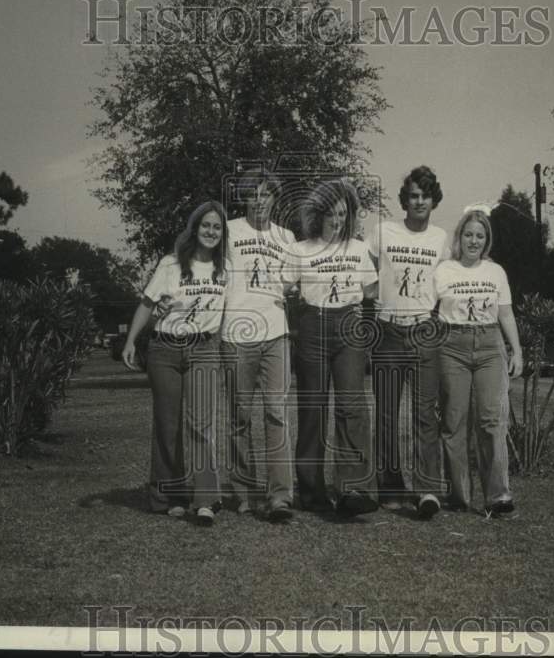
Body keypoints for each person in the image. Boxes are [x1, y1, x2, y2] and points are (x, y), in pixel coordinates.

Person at [122, 201, 230, 527]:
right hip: (164, 350)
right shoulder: (170, 264)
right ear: (195, 228)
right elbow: (147, 303)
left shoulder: (226, 269)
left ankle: (205, 500)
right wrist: (130, 340)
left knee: (200, 424)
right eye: (205, 225)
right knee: (167, 427)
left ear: (223, 233)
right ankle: (167, 496)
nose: (210, 231)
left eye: (217, 227)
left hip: (204, 347)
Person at [282, 178, 379, 516]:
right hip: (313, 325)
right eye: (332, 214)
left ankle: (354, 489)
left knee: (352, 406)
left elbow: (373, 292)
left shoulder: (357, 248)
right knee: (313, 409)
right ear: (318, 214)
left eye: (343, 214)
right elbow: (278, 287)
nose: (337, 221)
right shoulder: (301, 249)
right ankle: (312, 492)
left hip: (349, 325)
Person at [367, 166, 449, 517]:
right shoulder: (384, 231)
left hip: (423, 331)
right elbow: (363, 269)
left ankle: (427, 489)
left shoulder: (441, 239)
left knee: (425, 415)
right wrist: (372, 296)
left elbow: (449, 281)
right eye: (413, 195)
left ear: (434, 201)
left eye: (425, 196)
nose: (419, 201)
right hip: (388, 331)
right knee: (386, 414)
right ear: (405, 199)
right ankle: (390, 488)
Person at [434, 205, 523, 518]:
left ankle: (498, 495)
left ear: (487, 240)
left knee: (490, 420)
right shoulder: (444, 270)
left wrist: (517, 350)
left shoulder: (495, 271)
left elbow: (506, 313)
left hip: (489, 346)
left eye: (480, 236)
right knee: (453, 421)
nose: (474, 241)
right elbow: (424, 306)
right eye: (469, 234)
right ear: (460, 236)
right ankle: (458, 495)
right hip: (452, 345)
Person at [220, 168, 296, 522]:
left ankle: (280, 496)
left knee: (277, 414)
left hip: (276, 334)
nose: (260, 201)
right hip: (236, 335)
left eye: (266, 194)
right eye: (253, 194)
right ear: (244, 199)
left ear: (274, 198)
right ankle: (243, 491)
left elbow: (293, 282)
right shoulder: (230, 231)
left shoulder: (287, 236)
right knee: (239, 417)